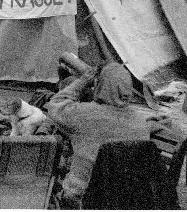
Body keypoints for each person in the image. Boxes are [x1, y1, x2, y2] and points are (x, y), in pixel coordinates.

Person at [45, 61, 151, 207]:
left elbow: (55, 105)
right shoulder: (141, 121)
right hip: (124, 197)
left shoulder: (84, 115)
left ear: (101, 86)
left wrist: (83, 81)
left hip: (82, 196)